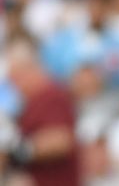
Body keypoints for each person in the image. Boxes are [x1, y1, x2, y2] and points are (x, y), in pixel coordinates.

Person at [1, 35, 81, 186]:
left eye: (16, 78)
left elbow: (60, 140)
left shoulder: (51, 96)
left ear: (29, 71)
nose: (14, 86)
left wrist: (18, 149)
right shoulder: (29, 102)